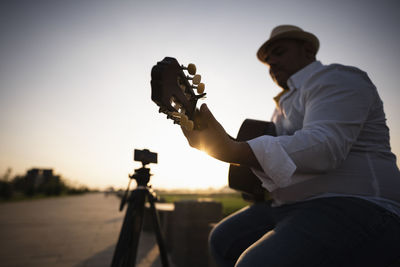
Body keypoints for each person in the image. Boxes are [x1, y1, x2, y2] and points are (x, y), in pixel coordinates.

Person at [181, 25, 400, 266]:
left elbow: (324, 148)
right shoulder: (280, 108)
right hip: (289, 205)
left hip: (357, 203)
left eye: (279, 52)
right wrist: (243, 164)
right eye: (267, 61)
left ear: (307, 50)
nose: (272, 62)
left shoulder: (338, 78)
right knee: (222, 240)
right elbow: (281, 157)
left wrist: (235, 150)